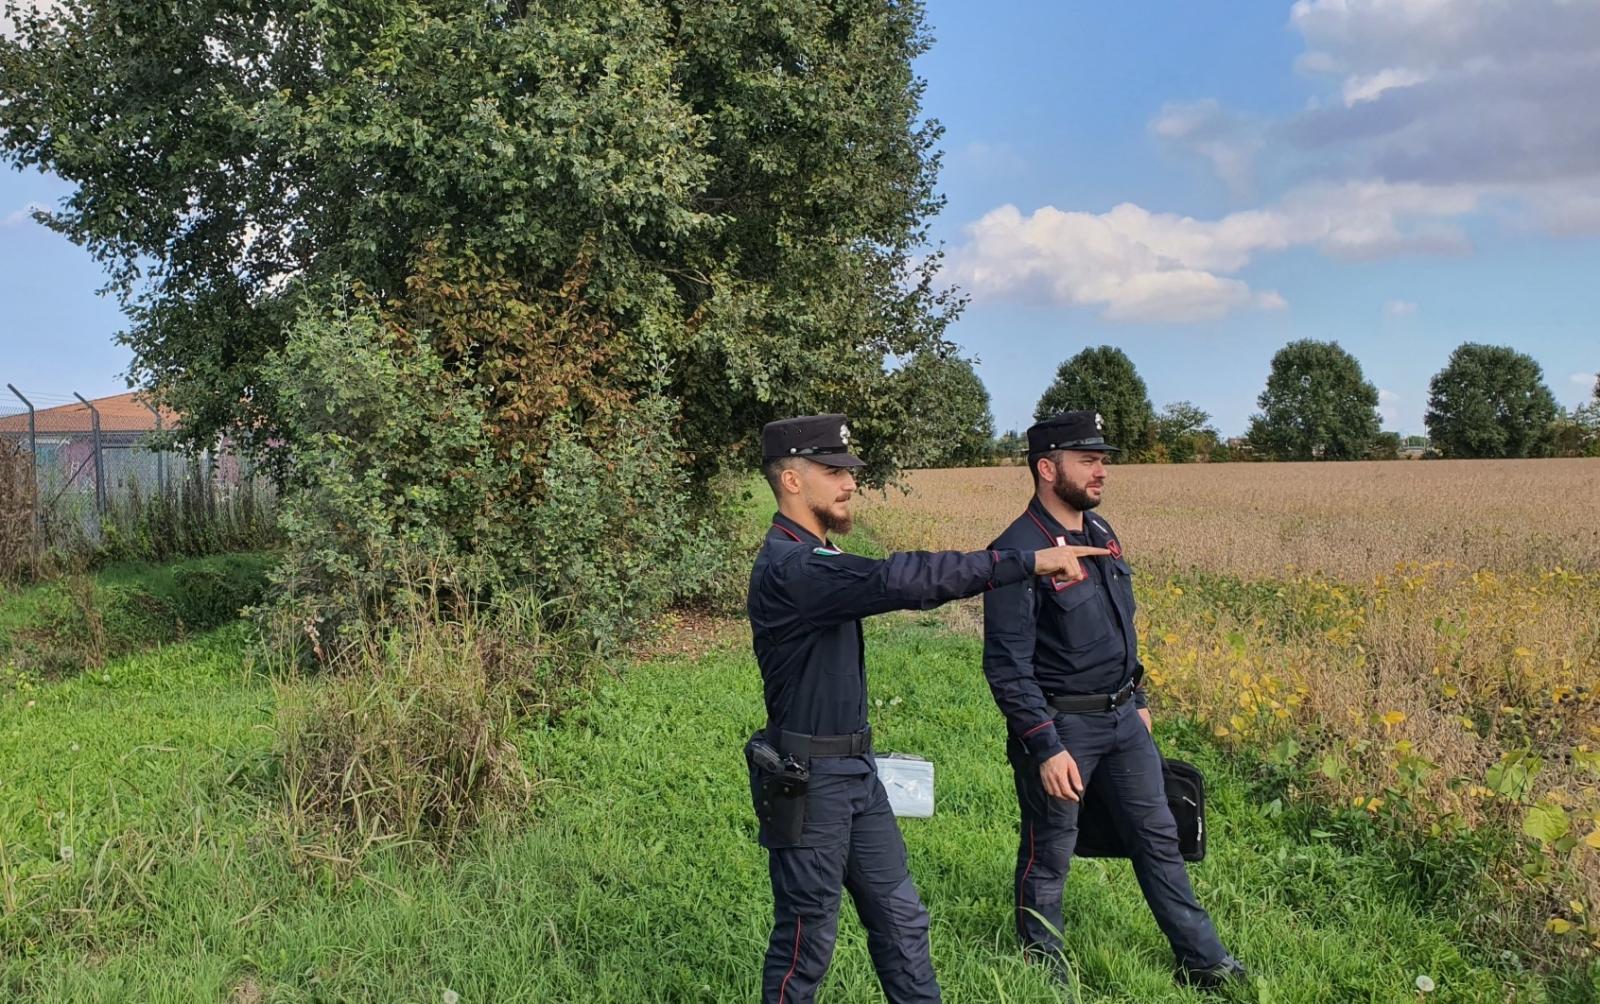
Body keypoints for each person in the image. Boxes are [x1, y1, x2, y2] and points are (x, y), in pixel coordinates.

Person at [746, 414, 1105, 1004]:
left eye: (849, 472)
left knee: (902, 921)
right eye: (833, 472)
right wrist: (1026, 562)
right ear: (791, 480)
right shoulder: (796, 569)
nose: (850, 483)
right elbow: (904, 579)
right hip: (810, 784)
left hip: (856, 774)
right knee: (805, 946)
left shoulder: (816, 555)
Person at [981, 411, 1247, 991]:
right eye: (1088, 460)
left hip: (1125, 720)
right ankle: (1042, 968)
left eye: (1103, 459)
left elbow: (1119, 626)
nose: (1102, 470)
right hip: (1062, 726)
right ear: (1047, 468)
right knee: (1049, 849)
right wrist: (1044, 746)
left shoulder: (1101, 534)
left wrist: (1140, 695)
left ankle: (1205, 962)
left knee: (1159, 838)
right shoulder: (1016, 551)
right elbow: (1006, 668)